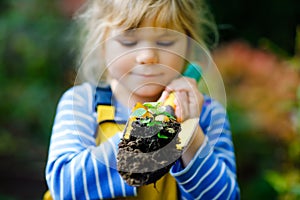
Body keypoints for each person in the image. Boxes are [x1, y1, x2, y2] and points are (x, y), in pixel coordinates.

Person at [45, 0, 240, 199]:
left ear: (189, 47)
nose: (147, 56)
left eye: (165, 42)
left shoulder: (207, 114)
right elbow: (64, 188)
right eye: (128, 41)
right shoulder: (81, 102)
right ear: (102, 45)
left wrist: (191, 135)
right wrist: (139, 141)